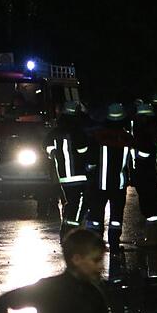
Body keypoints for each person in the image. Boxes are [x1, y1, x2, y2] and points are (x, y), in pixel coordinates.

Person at [87, 102, 134, 246]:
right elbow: (132, 162)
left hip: (98, 184)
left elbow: (91, 161)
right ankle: (114, 242)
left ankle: (94, 241)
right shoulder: (127, 138)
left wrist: (89, 172)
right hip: (118, 185)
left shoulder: (98, 136)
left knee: (95, 215)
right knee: (116, 216)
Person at [45, 101, 93, 237]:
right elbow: (83, 150)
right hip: (79, 174)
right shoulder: (78, 132)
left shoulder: (54, 132)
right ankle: (71, 230)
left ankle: (65, 229)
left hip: (63, 176)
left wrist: (54, 154)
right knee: (80, 203)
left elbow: (47, 147)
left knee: (70, 202)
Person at [129, 99, 157, 246]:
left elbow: (146, 155)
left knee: (149, 208)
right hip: (156, 176)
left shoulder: (148, 133)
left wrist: (134, 149)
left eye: (139, 117)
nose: (137, 119)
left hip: (149, 176)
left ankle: (152, 240)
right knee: (155, 207)